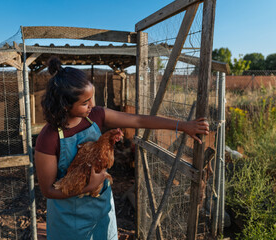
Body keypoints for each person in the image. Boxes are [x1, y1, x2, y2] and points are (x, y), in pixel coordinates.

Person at [34, 56, 209, 240]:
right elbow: (48, 191)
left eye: (91, 98)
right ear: (65, 105)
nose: (92, 105)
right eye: (85, 102)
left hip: (101, 206)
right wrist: (88, 187)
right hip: (69, 219)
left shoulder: (96, 116)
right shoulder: (49, 138)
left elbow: (139, 120)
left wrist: (182, 125)